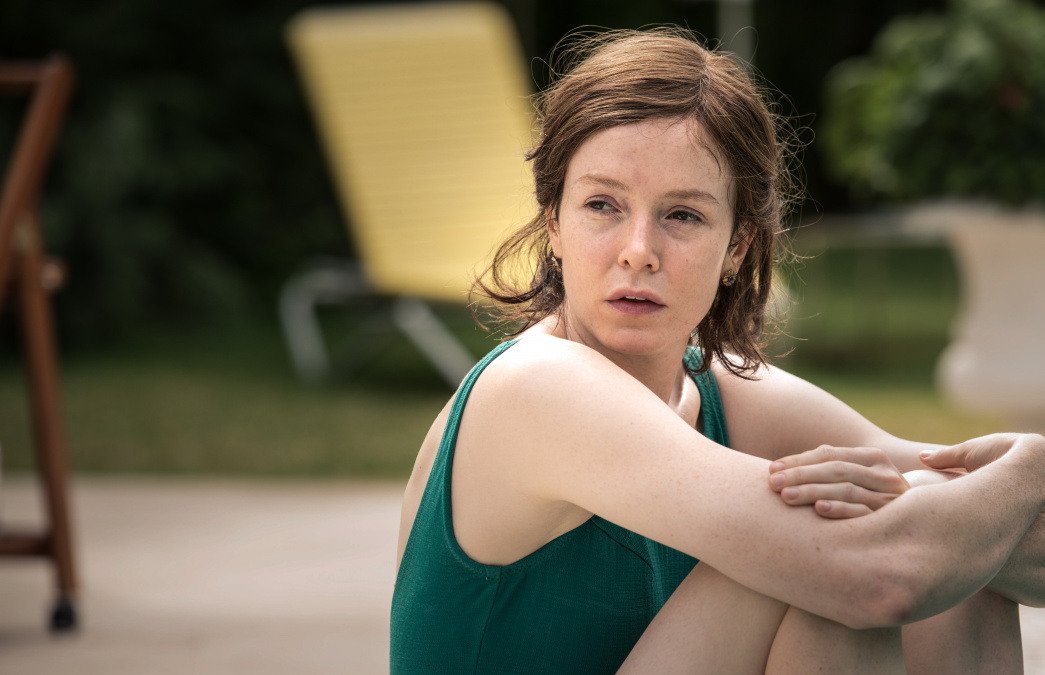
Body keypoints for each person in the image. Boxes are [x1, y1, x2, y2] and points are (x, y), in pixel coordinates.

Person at [390, 28, 1045, 673]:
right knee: (837, 563)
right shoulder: (535, 387)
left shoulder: (723, 394)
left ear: (736, 247)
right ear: (553, 223)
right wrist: (1030, 469)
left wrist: (976, 505)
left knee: (946, 532)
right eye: (602, 205)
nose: (638, 250)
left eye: (682, 215)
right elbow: (880, 579)